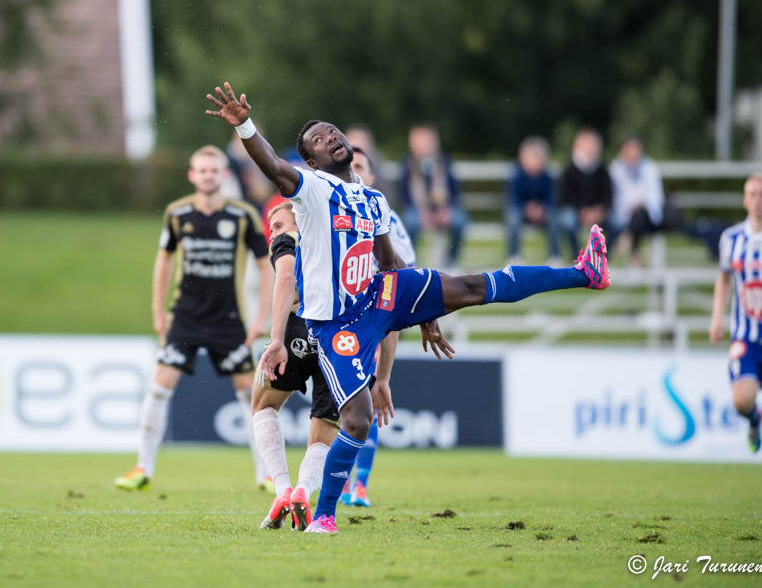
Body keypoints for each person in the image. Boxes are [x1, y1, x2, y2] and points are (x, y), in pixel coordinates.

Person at [205, 82, 610, 533]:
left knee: (472, 285)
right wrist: (245, 126)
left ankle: (583, 272)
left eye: (333, 131)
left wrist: (425, 313)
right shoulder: (312, 188)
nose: (332, 136)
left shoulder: (373, 199)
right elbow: (273, 166)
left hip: (381, 295)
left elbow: (390, 262)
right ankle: (323, 514)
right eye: (319, 139)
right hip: (336, 324)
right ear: (313, 161)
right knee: (355, 421)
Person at [115, 145, 274, 492]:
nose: (208, 176)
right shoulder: (177, 213)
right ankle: (142, 468)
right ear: (192, 175)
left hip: (229, 321)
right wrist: (158, 310)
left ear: (224, 175)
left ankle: (264, 473)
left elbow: (266, 264)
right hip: (184, 318)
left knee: (251, 397)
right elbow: (164, 260)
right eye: (202, 170)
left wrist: (263, 315)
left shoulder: (243, 215)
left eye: (213, 170)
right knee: (158, 388)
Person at [254, 201, 344, 530]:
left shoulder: (289, 238)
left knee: (263, 405)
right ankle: (304, 492)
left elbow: (285, 278)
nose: (273, 233)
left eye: (276, 224)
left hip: (298, 327)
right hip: (341, 336)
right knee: (326, 426)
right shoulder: (343, 239)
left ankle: (282, 490)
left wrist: (276, 338)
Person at [336, 147, 417, 509]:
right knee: (339, 408)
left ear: (370, 178)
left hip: (371, 319)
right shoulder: (325, 210)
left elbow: (403, 274)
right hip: (332, 321)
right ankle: (335, 482)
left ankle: (360, 485)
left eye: (359, 167)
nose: (351, 172)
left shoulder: (386, 218)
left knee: (364, 400)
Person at [709, 173, 762, 454]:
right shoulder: (731, 239)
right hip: (746, 336)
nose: (758, 201)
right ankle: (755, 419)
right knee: (742, 400)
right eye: (752, 195)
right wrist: (717, 316)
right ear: (744, 200)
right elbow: (724, 278)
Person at [398, 123, 467, 267]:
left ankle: (451, 260)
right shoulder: (407, 163)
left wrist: (446, 210)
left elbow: (455, 190)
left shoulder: (445, 161)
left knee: (460, 221)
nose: (425, 146)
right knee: (411, 223)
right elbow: (403, 195)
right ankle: (411, 261)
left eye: (428, 141)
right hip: (417, 210)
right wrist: (423, 213)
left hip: (444, 208)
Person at [609, 136, 670, 266]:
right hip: (622, 215)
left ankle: (630, 243)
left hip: (646, 216)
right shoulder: (615, 170)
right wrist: (631, 206)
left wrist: (640, 204)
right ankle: (631, 248)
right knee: (633, 217)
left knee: (640, 215)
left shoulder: (650, 168)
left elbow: (656, 199)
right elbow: (614, 199)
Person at [558, 128, 613, 260]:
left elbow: (608, 195)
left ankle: (603, 257)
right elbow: (565, 196)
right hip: (576, 211)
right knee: (568, 221)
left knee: (618, 222)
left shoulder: (601, 168)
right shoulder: (569, 168)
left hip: (597, 212)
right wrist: (582, 212)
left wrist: (599, 210)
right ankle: (577, 256)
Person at [506, 136, 560, 265]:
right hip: (521, 212)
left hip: (543, 213)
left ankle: (555, 256)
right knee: (513, 218)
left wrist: (542, 209)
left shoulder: (548, 177)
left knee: (554, 217)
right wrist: (527, 208)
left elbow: (553, 199)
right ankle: (513, 255)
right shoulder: (516, 176)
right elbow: (513, 199)